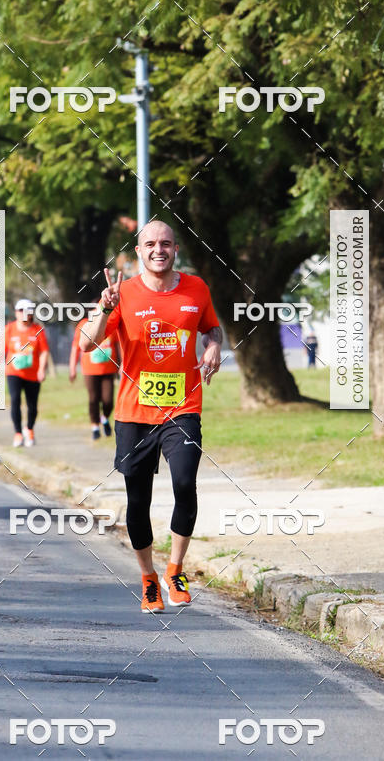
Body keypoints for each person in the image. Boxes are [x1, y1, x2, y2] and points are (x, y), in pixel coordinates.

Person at [80, 220, 222, 614]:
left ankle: (175, 570)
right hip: (133, 414)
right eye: (150, 244)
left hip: (183, 408)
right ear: (138, 251)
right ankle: (148, 579)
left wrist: (212, 347)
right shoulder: (120, 294)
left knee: (184, 482)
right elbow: (87, 343)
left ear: (175, 249)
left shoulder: (197, 288)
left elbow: (212, 328)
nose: (158, 249)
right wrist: (103, 310)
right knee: (137, 501)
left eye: (166, 243)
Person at [69, 307, 121, 440]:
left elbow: (117, 345)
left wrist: (121, 364)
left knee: (108, 400)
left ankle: (104, 418)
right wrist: (72, 368)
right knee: (93, 399)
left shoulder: (111, 322)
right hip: (90, 370)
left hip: (108, 369)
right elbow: (76, 348)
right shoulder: (83, 325)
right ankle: (95, 427)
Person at [5, 299, 49, 448]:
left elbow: (43, 352)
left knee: (32, 405)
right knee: (15, 400)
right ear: (16, 313)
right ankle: (18, 433)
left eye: (27, 311)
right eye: (20, 311)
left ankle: (29, 429)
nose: (23, 314)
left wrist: (42, 369)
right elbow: (1, 349)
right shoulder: (9, 329)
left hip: (33, 374)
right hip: (13, 372)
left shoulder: (38, 330)